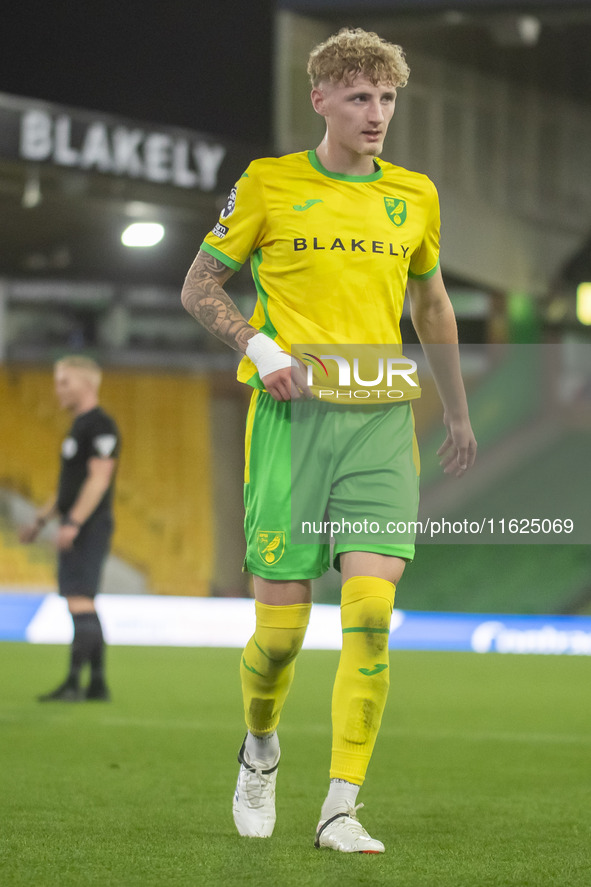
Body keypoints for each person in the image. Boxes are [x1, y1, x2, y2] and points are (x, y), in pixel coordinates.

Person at [181, 27, 476, 854]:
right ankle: (260, 746)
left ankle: (340, 805)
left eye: (385, 98)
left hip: (381, 422)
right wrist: (257, 344)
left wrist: (454, 408)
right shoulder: (269, 184)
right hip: (291, 422)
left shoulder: (414, 194)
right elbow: (199, 283)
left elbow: (432, 308)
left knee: (372, 618)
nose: (375, 113)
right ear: (319, 100)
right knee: (278, 643)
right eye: (358, 97)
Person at [19, 355, 120, 702]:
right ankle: (97, 684)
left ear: (87, 384)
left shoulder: (100, 426)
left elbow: (99, 479)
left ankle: (75, 683)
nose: (57, 388)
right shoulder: (79, 427)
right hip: (80, 523)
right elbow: (68, 489)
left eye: (64, 381)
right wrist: (40, 520)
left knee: (79, 600)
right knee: (83, 601)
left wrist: (74, 522)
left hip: (90, 525)